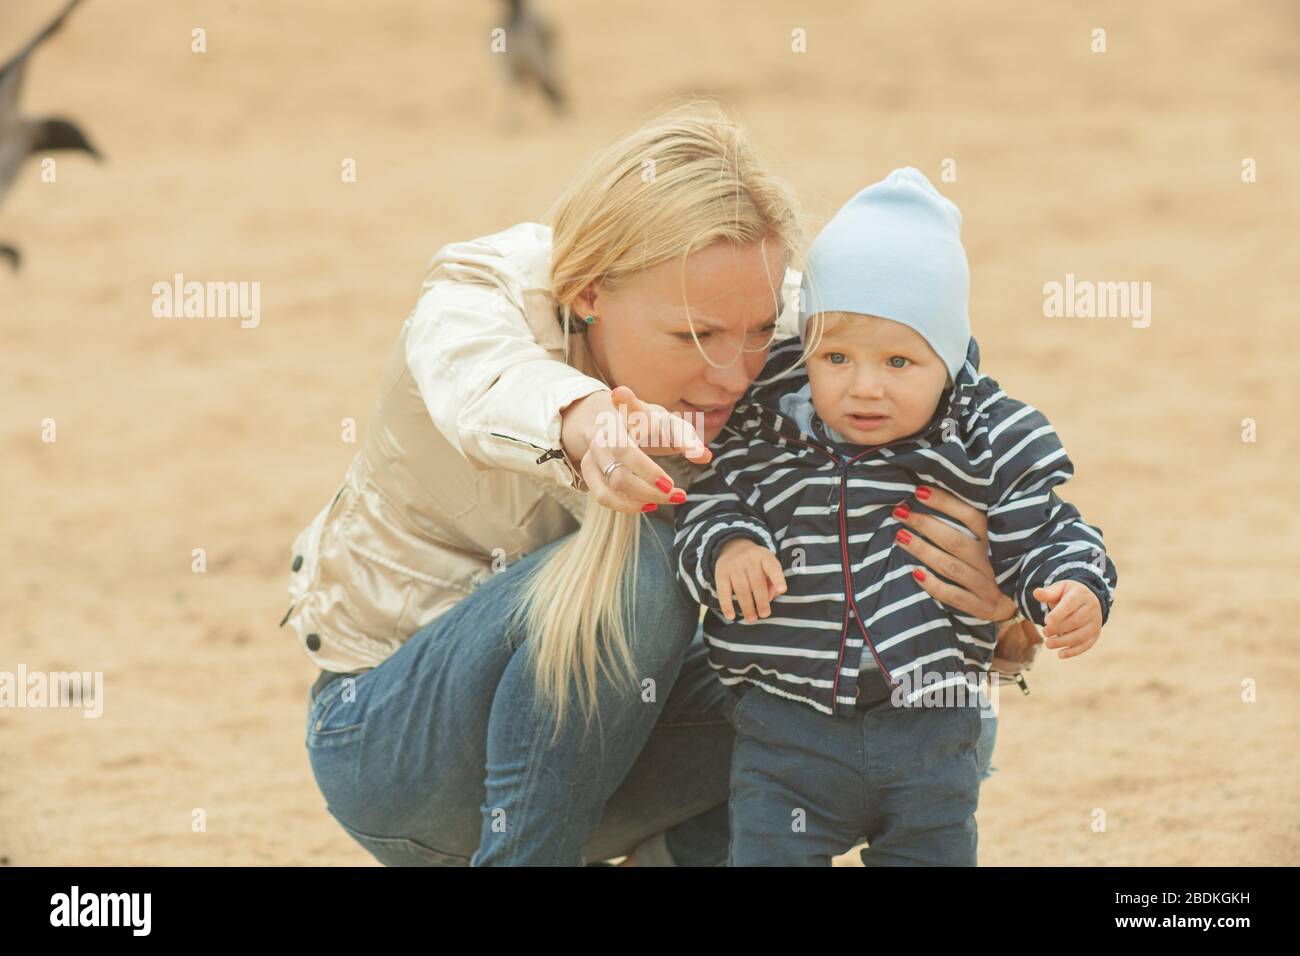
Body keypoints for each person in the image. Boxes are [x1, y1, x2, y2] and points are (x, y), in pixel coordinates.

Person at [288, 105, 1026, 866]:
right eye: (694, 337)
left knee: (920, 706)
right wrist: (583, 425)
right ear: (586, 292)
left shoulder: (808, 339)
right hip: (396, 750)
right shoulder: (485, 289)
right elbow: (478, 380)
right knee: (635, 560)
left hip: (615, 758)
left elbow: (952, 419)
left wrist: (999, 604)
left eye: (758, 332)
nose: (735, 374)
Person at [674, 167, 1119, 866]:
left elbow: (1053, 529)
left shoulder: (981, 443)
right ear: (806, 350)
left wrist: (1077, 587)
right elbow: (710, 500)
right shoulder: (769, 431)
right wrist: (730, 545)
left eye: (901, 360)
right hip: (784, 733)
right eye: (837, 357)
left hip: (932, 732)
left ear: (946, 359)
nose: (864, 386)